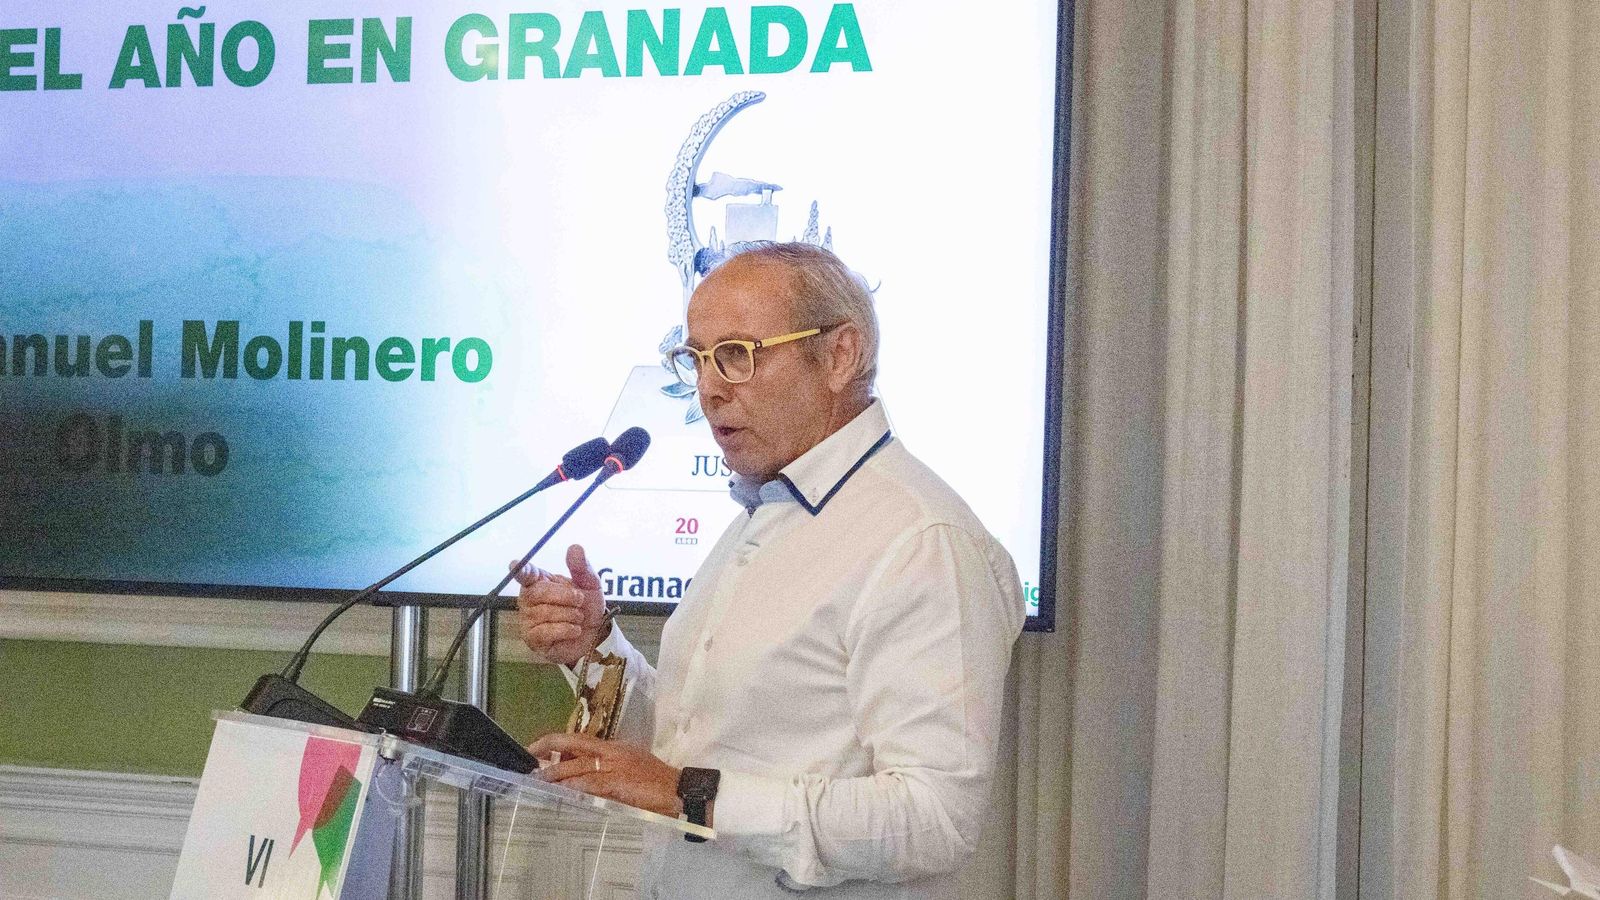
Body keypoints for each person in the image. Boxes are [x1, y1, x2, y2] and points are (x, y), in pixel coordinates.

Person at [514, 242, 1024, 899]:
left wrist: (689, 794)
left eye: (738, 354)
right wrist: (595, 651)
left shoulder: (921, 541)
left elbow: (933, 821)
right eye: (695, 358)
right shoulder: (765, 515)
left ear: (839, 355)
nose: (709, 387)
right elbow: (693, 747)